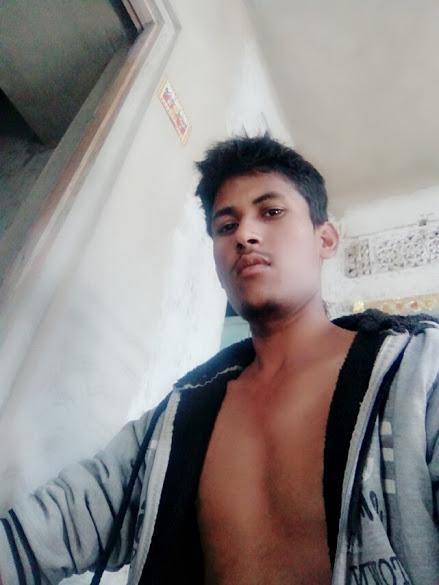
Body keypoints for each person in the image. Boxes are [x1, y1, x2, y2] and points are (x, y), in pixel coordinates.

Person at [0, 135, 438, 585]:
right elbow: (64, 521)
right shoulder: (176, 418)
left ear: (324, 238)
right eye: (226, 226)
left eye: (271, 212)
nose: (245, 235)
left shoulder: (417, 376)